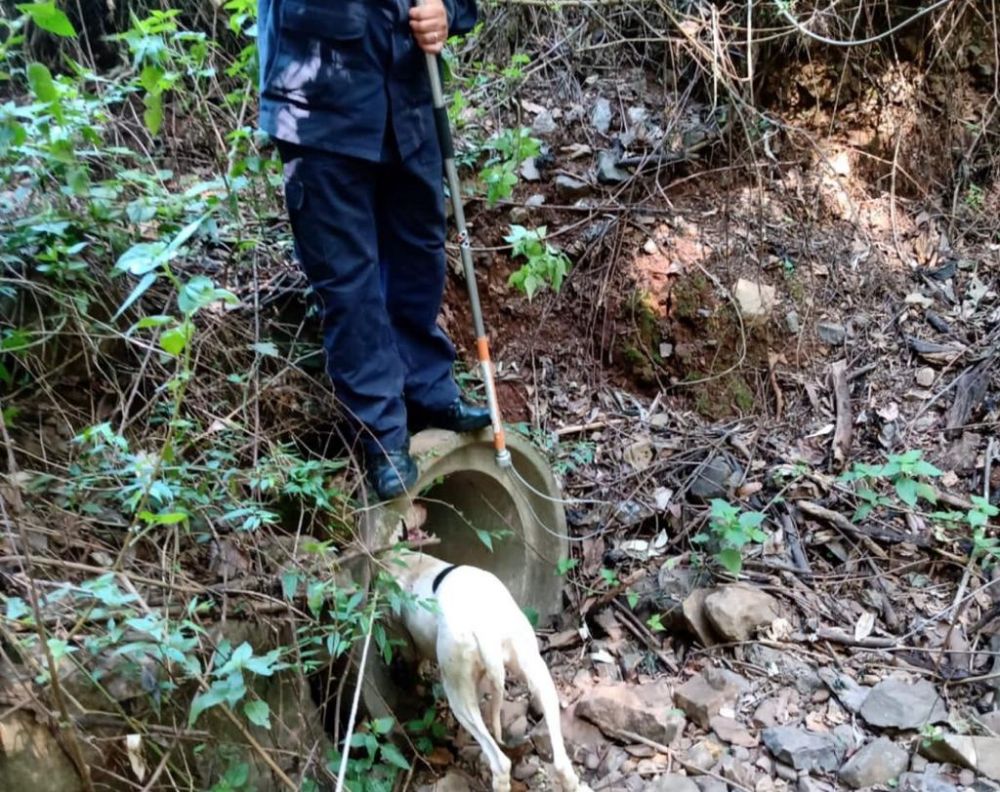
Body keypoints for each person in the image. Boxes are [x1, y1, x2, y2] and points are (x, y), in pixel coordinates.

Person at [256, 0, 487, 500]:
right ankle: (382, 434)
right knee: (348, 282)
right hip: (318, 112)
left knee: (418, 251)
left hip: (409, 95)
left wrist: (447, 12)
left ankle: (427, 391)